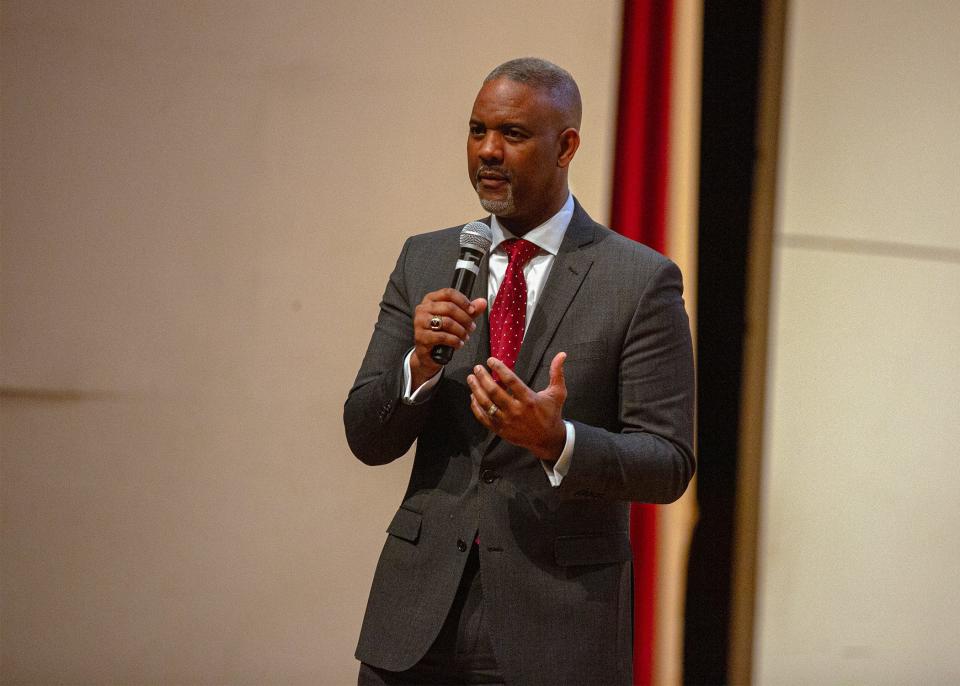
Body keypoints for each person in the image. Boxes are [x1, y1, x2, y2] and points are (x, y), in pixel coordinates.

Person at [344, 57, 695, 686]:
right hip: (418, 616)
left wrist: (555, 441)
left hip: (557, 622)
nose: (488, 151)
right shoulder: (427, 259)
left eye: (512, 134)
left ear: (566, 147)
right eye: (477, 131)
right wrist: (419, 366)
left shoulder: (638, 280)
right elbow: (366, 436)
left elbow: (668, 462)